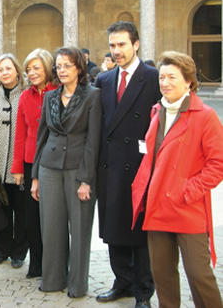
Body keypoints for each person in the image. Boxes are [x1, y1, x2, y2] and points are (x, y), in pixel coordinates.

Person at [132, 51, 223, 308]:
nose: (165, 83)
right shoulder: (157, 111)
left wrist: (188, 188)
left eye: (172, 77)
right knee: (163, 278)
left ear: (188, 81)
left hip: (188, 207)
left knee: (199, 275)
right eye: (162, 77)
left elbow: (218, 164)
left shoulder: (205, 116)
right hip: (158, 206)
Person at [94, 21, 159, 308]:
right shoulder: (104, 80)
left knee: (140, 235)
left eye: (122, 44)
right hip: (109, 168)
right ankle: (121, 282)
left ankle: (143, 291)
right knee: (113, 229)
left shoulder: (154, 78)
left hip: (141, 167)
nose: (116, 51)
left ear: (136, 45)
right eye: (112, 45)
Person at [31, 46, 101, 299]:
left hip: (77, 170)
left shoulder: (93, 96)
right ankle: (52, 279)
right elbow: (41, 138)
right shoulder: (50, 97)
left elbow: (93, 141)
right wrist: (36, 176)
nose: (61, 70)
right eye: (58, 66)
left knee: (79, 229)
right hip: (49, 167)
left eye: (67, 66)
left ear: (79, 68)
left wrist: (86, 180)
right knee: (51, 226)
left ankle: (77, 284)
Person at [12, 48, 58, 279]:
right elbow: (19, 135)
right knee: (32, 218)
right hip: (31, 163)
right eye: (28, 69)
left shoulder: (60, 92)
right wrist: (17, 169)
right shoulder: (24, 97)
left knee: (54, 217)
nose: (31, 73)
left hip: (55, 162)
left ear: (48, 68)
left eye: (36, 68)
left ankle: (55, 265)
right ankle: (36, 264)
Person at [0, 54, 26, 269]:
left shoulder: (27, 94)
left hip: (20, 165)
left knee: (21, 210)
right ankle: (0, 250)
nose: (5, 73)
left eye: (9, 68)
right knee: (0, 209)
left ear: (17, 71)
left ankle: (19, 252)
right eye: (0, 70)